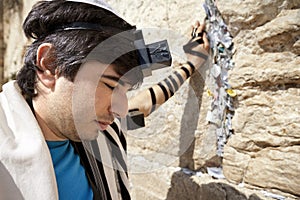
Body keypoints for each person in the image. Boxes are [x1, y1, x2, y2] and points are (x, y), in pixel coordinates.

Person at [0, 0, 209, 199]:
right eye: (110, 85)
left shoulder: (105, 134)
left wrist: (190, 65)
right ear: (50, 64)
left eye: (125, 91)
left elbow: (144, 105)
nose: (120, 110)